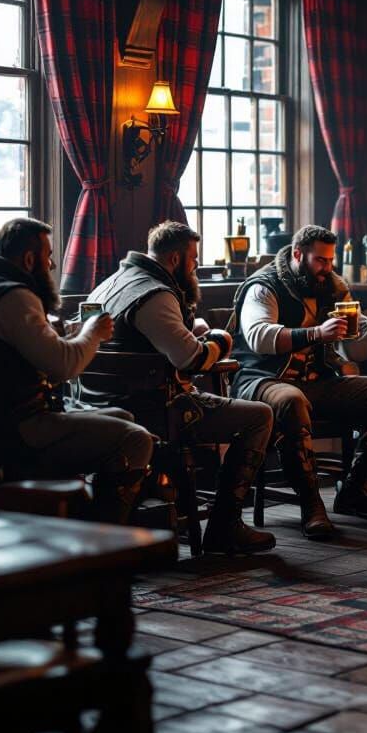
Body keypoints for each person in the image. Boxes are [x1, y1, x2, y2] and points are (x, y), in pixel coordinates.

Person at [0, 218, 155, 524]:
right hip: (10, 432)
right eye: (48, 256)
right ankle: (105, 541)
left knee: (122, 418)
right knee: (136, 440)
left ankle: (79, 519)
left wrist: (66, 337)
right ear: (29, 259)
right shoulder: (14, 297)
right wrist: (91, 332)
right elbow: (64, 367)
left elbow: (19, 359)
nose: (52, 264)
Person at [86, 221, 275, 554]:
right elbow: (190, 359)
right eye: (193, 260)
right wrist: (220, 340)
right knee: (259, 415)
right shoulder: (154, 295)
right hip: (157, 412)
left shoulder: (110, 284)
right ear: (174, 259)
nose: (196, 266)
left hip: (102, 406)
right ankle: (225, 525)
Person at [230, 224, 367, 537]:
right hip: (264, 378)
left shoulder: (333, 287)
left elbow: (356, 350)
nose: (327, 268)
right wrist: (315, 333)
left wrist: (364, 327)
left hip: (318, 380)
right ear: (298, 254)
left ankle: (353, 488)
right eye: (320, 261)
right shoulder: (264, 285)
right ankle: (312, 505)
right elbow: (258, 337)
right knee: (291, 401)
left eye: (330, 260)